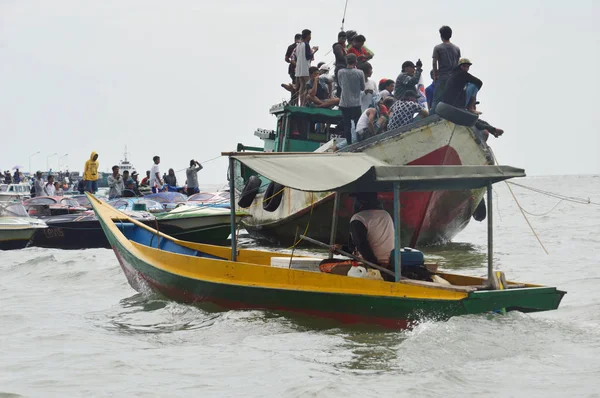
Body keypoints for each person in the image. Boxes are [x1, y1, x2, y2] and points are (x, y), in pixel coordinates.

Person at [347, 192, 395, 279]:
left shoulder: (358, 218)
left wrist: (375, 266)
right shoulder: (386, 215)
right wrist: (341, 248)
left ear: (361, 202)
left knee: (325, 264)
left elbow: (362, 246)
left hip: (369, 264)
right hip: (389, 262)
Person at [431, 25, 461, 113]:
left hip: (443, 76)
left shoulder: (438, 48)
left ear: (441, 36)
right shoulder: (457, 48)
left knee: (437, 99)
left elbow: (434, 62)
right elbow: (458, 63)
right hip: (454, 77)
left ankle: (433, 117)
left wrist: (435, 75)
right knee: (452, 98)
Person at [337, 54, 365, 145]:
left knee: (347, 125)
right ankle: (359, 142)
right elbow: (362, 88)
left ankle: (349, 143)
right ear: (355, 61)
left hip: (344, 103)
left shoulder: (340, 72)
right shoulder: (360, 72)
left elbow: (340, 85)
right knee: (358, 124)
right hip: (356, 103)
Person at [295, 29, 318, 106]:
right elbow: (308, 56)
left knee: (301, 86)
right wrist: (314, 50)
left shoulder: (298, 45)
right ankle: (305, 103)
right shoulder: (306, 44)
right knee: (307, 85)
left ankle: (300, 103)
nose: (310, 37)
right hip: (305, 67)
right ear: (307, 36)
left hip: (299, 68)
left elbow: (296, 56)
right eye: (310, 35)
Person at [332, 31, 347, 97]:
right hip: (340, 67)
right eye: (342, 38)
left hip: (343, 67)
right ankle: (339, 101)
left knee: (343, 86)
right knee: (340, 86)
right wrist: (348, 58)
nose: (344, 39)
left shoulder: (343, 47)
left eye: (345, 38)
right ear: (339, 38)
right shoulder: (337, 46)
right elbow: (341, 57)